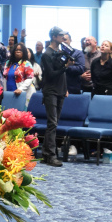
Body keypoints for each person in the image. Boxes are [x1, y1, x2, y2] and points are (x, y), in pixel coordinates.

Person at [40, 26, 72, 167]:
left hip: (60, 90)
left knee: (53, 124)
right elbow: (51, 74)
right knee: (52, 123)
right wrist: (65, 66)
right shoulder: (47, 54)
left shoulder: (59, 52)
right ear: (54, 37)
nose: (63, 37)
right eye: (60, 35)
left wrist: (65, 88)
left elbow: (61, 74)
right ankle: (51, 155)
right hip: (51, 91)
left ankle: (46, 154)